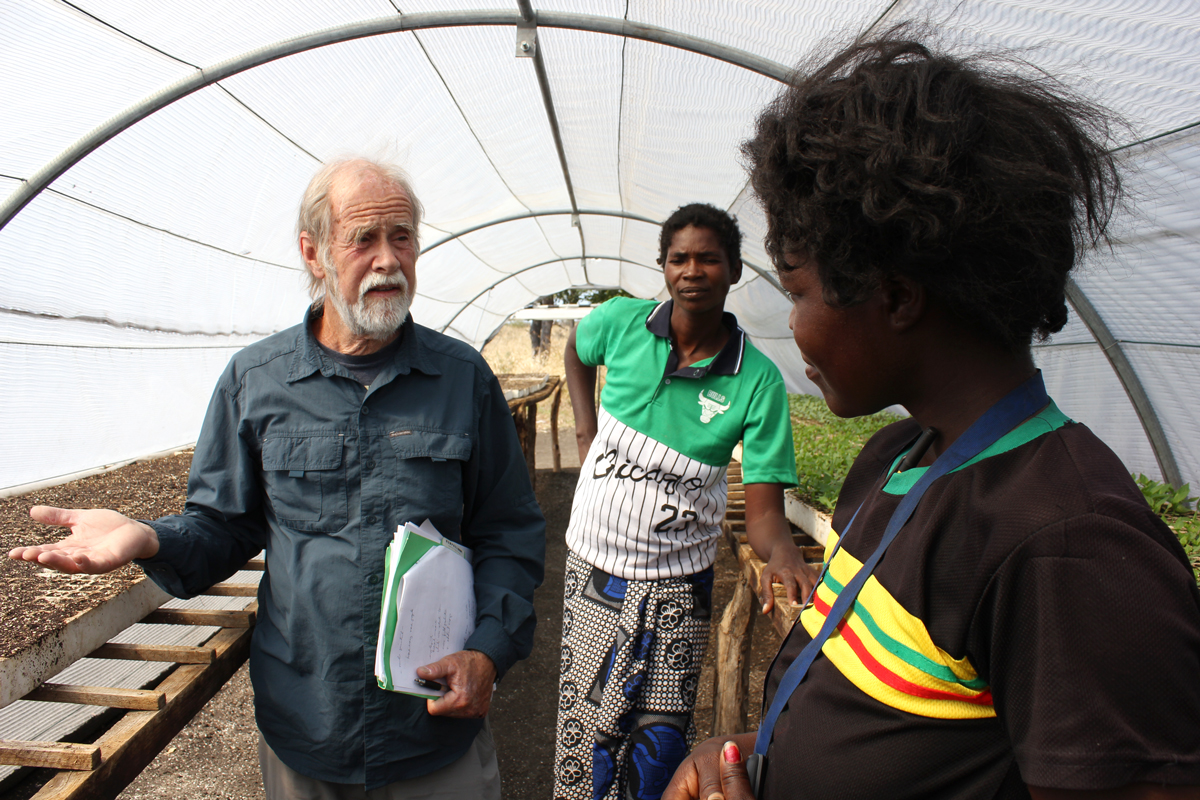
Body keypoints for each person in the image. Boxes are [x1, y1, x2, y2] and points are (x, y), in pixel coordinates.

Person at [665, 31, 1200, 800]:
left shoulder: (1068, 546)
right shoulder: (896, 457)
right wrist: (754, 751)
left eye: (797, 292)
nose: (794, 328)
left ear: (896, 296)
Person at [9, 158, 546, 799]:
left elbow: (508, 532)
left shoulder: (462, 378)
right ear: (313, 252)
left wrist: (488, 651)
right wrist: (147, 538)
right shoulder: (255, 381)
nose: (387, 260)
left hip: (432, 725)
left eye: (401, 236)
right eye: (363, 239)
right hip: (307, 721)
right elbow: (222, 526)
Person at [555, 203, 817, 800]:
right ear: (663, 266)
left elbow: (767, 513)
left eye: (708, 259)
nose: (692, 270)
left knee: (660, 737)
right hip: (592, 570)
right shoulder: (621, 324)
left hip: (677, 586)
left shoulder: (756, 381)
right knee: (585, 728)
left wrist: (782, 556)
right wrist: (585, 432)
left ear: (732, 272)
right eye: (680, 258)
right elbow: (576, 348)